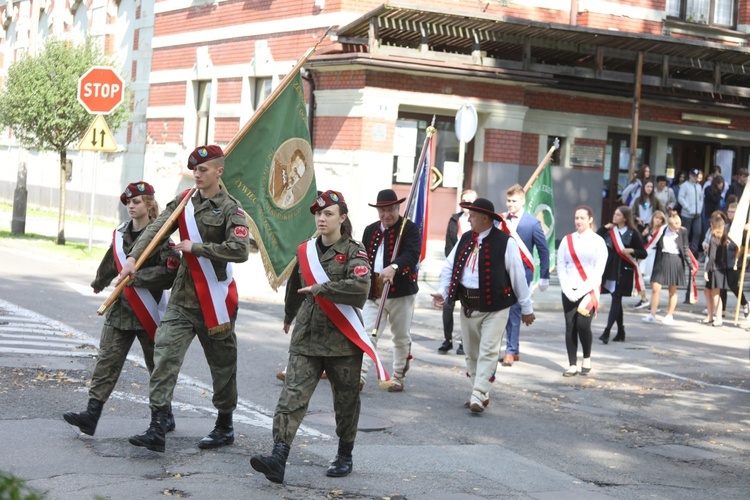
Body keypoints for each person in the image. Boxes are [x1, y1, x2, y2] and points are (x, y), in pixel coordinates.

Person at [118, 145, 251, 453]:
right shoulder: (184, 202)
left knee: (222, 365)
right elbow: (156, 229)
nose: (197, 174)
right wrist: (133, 258)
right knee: (163, 355)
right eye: (195, 169)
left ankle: (224, 425)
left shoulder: (232, 209)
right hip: (182, 299)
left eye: (203, 169)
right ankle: (158, 425)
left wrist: (197, 248)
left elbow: (240, 250)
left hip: (214, 301)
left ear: (219, 171)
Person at [251, 190, 372, 483]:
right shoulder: (306, 250)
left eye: (328, 213)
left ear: (342, 218)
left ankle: (344, 454)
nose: (321, 218)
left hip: (342, 339)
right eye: (318, 214)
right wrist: (289, 314)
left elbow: (360, 289)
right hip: (307, 336)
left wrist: (323, 289)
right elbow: (295, 284)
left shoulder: (355, 251)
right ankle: (279, 456)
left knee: (345, 402)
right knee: (291, 397)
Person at [63, 182, 179, 436]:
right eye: (128, 202)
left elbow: (169, 273)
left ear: (149, 205)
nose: (130, 206)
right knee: (107, 362)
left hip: (150, 312)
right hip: (121, 311)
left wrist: (137, 279)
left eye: (136, 202)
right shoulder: (121, 233)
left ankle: (163, 416)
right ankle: (91, 415)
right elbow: (111, 258)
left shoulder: (160, 237)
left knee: (156, 367)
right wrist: (100, 280)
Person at [431, 198, 534, 413]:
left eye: (472, 216)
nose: (469, 219)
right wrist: (443, 291)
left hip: (496, 308)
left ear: (485, 218)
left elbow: (518, 277)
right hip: (468, 305)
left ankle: (477, 395)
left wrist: (527, 308)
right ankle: (482, 391)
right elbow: (449, 266)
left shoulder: (506, 242)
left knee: (487, 351)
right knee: (471, 353)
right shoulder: (466, 239)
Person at [360, 189, 421, 392]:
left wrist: (394, 266)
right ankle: (359, 375)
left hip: (400, 292)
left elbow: (412, 255)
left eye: (391, 210)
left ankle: (397, 376)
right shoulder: (370, 230)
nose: (387, 214)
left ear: (398, 208)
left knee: (400, 336)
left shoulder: (409, 229)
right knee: (368, 333)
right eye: (383, 210)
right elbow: (363, 256)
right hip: (374, 291)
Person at [499, 184, 549, 367]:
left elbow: (543, 251)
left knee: (514, 311)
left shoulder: (532, 223)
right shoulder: (501, 220)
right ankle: (514, 349)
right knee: (500, 312)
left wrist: (544, 275)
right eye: (508, 200)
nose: (510, 204)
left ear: (522, 201)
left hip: (523, 273)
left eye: (514, 201)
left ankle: (510, 351)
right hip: (501, 272)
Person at [556, 206, 607, 376]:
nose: (578, 221)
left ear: (590, 220)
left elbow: (598, 270)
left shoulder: (598, 241)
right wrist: (567, 288)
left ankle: (587, 356)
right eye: (576, 218)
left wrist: (582, 290)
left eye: (582, 218)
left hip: (589, 290)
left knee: (583, 324)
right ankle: (572, 364)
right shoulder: (567, 240)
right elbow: (561, 265)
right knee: (570, 325)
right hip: (569, 288)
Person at [597, 206, 647, 344]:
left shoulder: (632, 233)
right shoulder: (610, 231)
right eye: (614, 214)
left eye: (618, 215)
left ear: (625, 218)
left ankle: (607, 332)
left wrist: (631, 250)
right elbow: (595, 239)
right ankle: (620, 332)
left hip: (623, 272)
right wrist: (604, 228)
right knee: (616, 300)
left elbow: (643, 253)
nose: (614, 216)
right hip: (610, 270)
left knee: (616, 299)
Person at [438, 189, 478, 355]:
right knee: (448, 306)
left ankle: (463, 341)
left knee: (467, 306)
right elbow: (448, 244)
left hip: (468, 270)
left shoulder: (477, 224)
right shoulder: (454, 220)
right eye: (464, 201)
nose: (467, 205)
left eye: (470, 202)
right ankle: (447, 340)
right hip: (454, 266)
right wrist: (454, 264)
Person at [642, 211, 693, 325]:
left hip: (675, 261)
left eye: (678, 227)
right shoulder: (662, 231)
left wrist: (690, 265)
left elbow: (685, 249)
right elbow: (652, 244)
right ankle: (652, 314)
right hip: (661, 260)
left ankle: (669, 315)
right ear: (669, 225)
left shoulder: (683, 231)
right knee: (655, 288)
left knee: (672, 291)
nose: (677, 230)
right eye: (675, 228)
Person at [720, 202, 749, 320]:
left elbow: (744, 244)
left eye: (733, 212)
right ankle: (721, 310)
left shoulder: (742, 227)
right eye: (729, 211)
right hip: (724, 259)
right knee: (721, 285)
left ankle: (744, 303)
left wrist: (730, 244)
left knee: (733, 285)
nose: (730, 214)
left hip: (736, 260)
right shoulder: (726, 226)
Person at [633, 210, 667, 310]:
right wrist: (643, 234)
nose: (658, 220)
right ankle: (643, 299)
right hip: (647, 254)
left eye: (660, 218)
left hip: (656, 255)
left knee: (654, 281)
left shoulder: (663, 230)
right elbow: (640, 241)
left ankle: (654, 304)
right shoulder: (648, 228)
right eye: (656, 217)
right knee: (640, 277)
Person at [701, 213, 731, 326]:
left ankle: (718, 318)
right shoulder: (723, 238)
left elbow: (712, 257)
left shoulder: (714, 239)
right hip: (720, 269)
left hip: (715, 269)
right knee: (708, 291)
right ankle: (710, 316)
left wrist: (706, 270)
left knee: (715, 294)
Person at [678, 168, 704, 262]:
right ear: (689, 175)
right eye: (693, 175)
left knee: (697, 232)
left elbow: (701, 198)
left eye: (696, 176)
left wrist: (700, 209)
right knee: (686, 233)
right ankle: (684, 251)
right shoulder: (685, 185)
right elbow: (681, 198)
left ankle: (693, 251)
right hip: (687, 214)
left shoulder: (699, 186)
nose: (694, 177)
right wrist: (688, 208)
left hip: (697, 214)